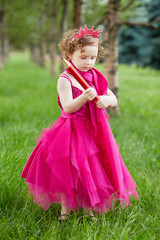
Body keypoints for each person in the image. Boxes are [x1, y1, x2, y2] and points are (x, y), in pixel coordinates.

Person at [21, 25, 139, 221]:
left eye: (93, 58)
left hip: (93, 130)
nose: (88, 62)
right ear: (69, 54)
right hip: (71, 130)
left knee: (91, 170)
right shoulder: (65, 79)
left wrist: (105, 100)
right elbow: (68, 107)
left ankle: (88, 209)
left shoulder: (95, 76)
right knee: (71, 170)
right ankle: (65, 211)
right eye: (83, 57)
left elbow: (113, 99)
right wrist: (84, 97)